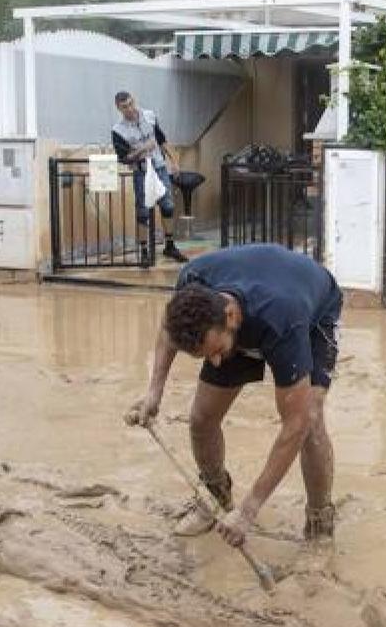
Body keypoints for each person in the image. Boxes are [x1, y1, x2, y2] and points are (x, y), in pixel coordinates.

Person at [125, 244, 343, 546]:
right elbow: (168, 327)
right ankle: (216, 499)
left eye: (214, 353)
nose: (214, 362)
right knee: (201, 418)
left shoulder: (283, 317)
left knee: (311, 422)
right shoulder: (192, 283)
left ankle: (320, 524)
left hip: (310, 315)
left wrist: (250, 509)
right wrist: (154, 391)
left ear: (229, 315)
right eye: (205, 356)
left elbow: (295, 424)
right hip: (244, 319)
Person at [111, 91, 187, 264]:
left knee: (167, 205)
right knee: (143, 211)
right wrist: (142, 149)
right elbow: (123, 158)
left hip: (159, 167)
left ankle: (170, 245)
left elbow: (162, 140)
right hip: (141, 171)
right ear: (118, 108)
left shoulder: (150, 116)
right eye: (124, 107)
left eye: (131, 104)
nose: (129, 109)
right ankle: (144, 250)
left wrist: (174, 161)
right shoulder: (118, 130)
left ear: (134, 101)